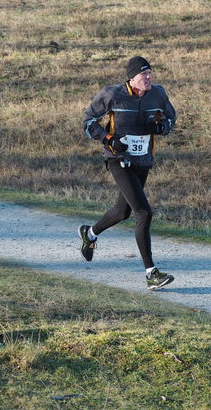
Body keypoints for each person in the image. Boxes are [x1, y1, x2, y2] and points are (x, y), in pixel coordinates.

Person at [79, 56, 177, 290]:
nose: (149, 77)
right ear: (132, 78)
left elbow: (172, 118)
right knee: (143, 213)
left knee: (122, 211)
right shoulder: (112, 95)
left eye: (150, 73)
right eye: (144, 74)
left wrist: (163, 127)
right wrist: (108, 138)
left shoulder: (158, 94)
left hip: (143, 161)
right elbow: (88, 121)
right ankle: (151, 273)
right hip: (118, 159)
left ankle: (90, 233)